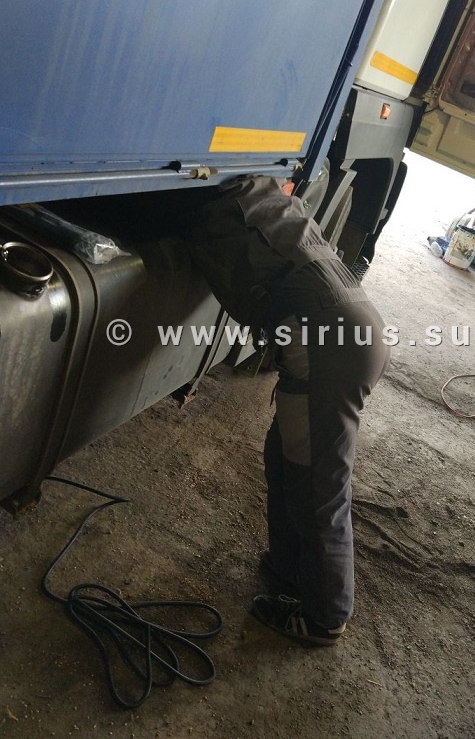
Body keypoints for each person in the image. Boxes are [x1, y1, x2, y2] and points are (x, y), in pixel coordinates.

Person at [188, 175, 390, 645]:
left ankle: (324, 617)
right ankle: (290, 569)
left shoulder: (214, 204)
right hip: (354, 327)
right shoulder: (265, 197)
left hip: (328, 348)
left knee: (315, 484)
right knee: (285, 459)